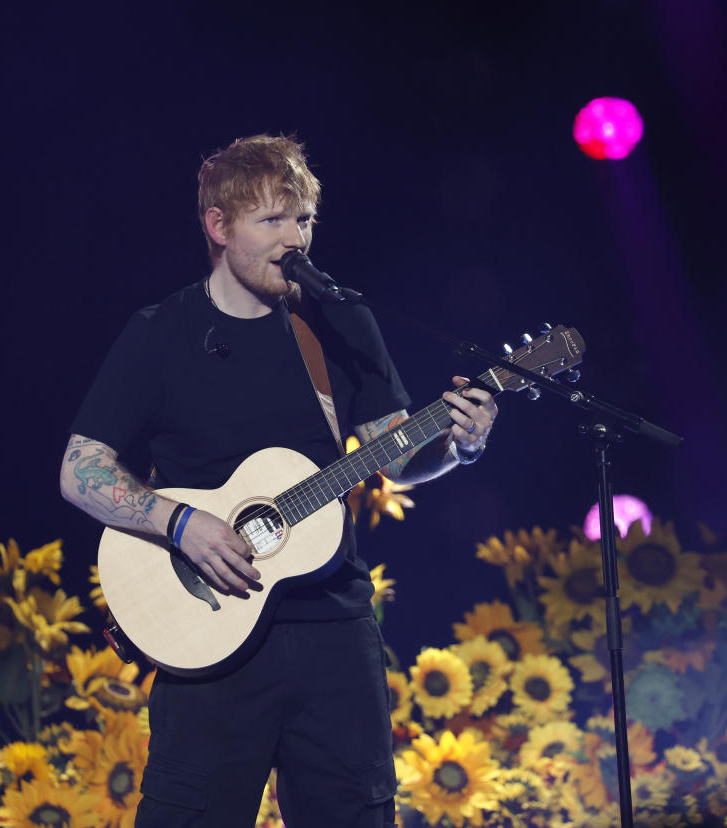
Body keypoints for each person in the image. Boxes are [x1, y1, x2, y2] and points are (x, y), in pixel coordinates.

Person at [60, 134, 499, 826]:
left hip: (335, 634)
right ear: (218, 226)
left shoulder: (341, 320)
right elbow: (80, 470)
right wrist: (179, 522)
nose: (295, 240)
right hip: (207, 636)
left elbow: (394, 458)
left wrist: (459, 446)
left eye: (304, 222)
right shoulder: (159, 333)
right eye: (273, 221)